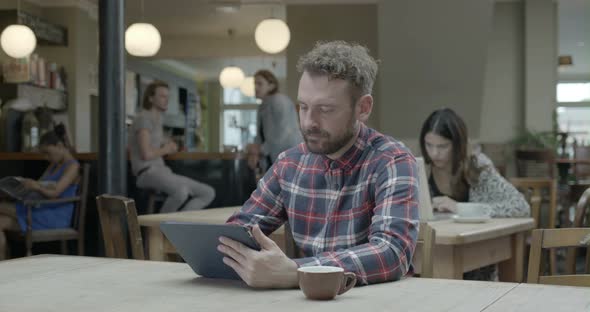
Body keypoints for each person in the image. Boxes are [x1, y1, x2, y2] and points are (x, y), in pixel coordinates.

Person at [220, 41, 419, 288]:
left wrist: (297, 271)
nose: (309, 122)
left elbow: (392, 253)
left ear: (363, 108)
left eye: (325, 109)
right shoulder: (289, 164)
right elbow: (242, 230)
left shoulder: (392, 160)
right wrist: (229, 247)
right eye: (303, 107)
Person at [419, 108, 530, 280]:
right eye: (429, 145)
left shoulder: (477, 167)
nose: (434, 153)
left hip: (477, 262)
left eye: (443, 146)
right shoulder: (422, 169)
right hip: (435, 250)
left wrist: (460, 208)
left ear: (458, 145)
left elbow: (521, 207)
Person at [129, 81, 215, 213]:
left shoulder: (157, 119)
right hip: (147, 173)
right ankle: (160, 228)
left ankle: (178, 224)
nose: (167, 100)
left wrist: (168, 143)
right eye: (162, 96)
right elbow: (146, 154)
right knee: (181, 191)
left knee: (207, 192)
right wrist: (166, 149)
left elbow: (157, 141)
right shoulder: (143, 118)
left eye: (168, 97)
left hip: (162, 171)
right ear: (151, 98)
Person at [0, 125, 79, 260]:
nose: (46, 157)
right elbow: (41, 186)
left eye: (47, 153)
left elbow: (55, 192)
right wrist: (20, 188)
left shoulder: (73, 166)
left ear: (59, 145)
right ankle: (4, 266)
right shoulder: (53, 165)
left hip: (54, 215)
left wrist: (36, 186)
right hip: (39, 209)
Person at [247, 70, 302, 173]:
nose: (255, 87)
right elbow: (260, 135)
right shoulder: (262, 106)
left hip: (290, 160)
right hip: (274, 161)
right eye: (254, 83)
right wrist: (255, 150)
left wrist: (260, 149)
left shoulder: (280, 101)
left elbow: (283, 134)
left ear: (271, 86)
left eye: (259, 83)